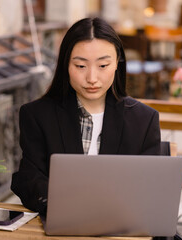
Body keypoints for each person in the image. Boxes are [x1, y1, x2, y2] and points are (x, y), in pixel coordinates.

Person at [11, 17, 161, 215]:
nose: (92, 78)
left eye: (103, 66)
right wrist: (59, 206)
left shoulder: (143, 120)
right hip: (62, 224)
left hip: (123, 225)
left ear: (117, 63)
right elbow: (30, 177)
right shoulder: (37, 115)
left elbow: (151, 185)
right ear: (66, 65)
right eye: (81, 66)